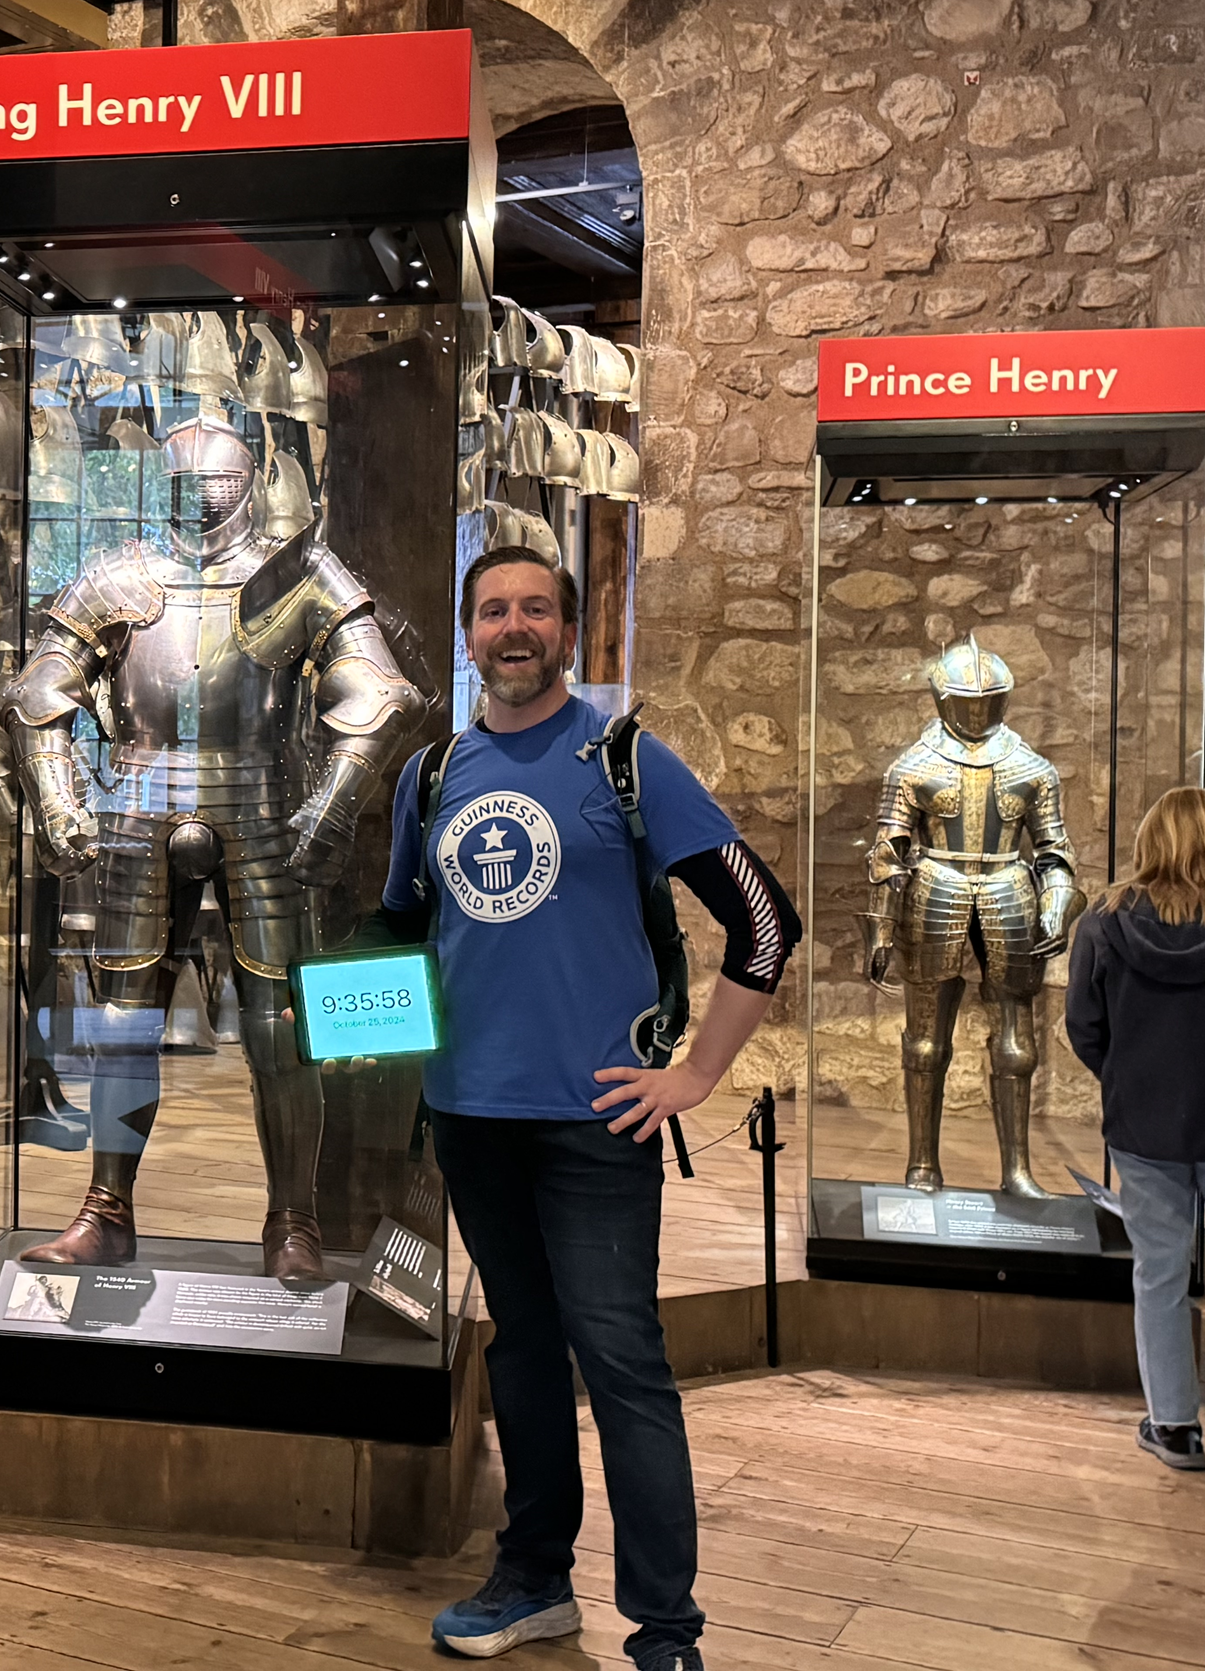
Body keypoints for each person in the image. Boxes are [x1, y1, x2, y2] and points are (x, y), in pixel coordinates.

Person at [379, 545, 798, 1671]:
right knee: (519, 1350)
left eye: (535, 610)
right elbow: (404, 943)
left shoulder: (626, 763)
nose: (513, 628)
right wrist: (337, 1031)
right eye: (492, 611)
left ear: (568, 633)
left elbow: (764, 921)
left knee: (620, 1361)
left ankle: (665, 1629)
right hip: (470, 1116)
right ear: (466, 635)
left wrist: (696, 1073)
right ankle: (534, 1576)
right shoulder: (429, 780)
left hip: (596, 1122)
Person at [1064, 785, 1205, 1472]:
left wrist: (1128, 1077)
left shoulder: (1104, 923)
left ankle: (1176, 1425)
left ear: (1149, 838)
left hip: (1146, 1126)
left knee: (1158, 1273)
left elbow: (1084, 1025)